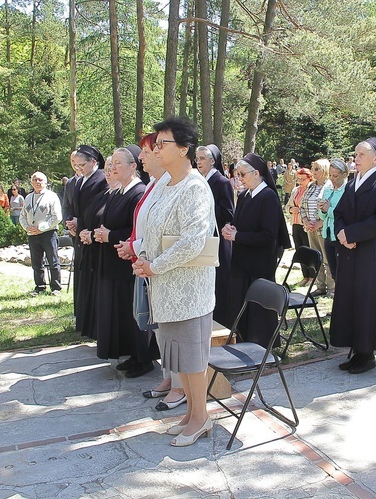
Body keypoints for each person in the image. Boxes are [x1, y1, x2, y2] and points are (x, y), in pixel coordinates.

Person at [132, 116, 217, 447]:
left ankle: (201, 417)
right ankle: (191, 414)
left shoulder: (194, 186)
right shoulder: (165, 183)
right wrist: (144, 258)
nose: (155, 148)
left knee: (192, 360)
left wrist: (156, 265)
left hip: (188, 290)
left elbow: (195, 239)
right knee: (179, 359)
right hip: (165, 288)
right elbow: (153, 229)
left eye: (162, 143)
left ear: (183, 149)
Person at [117, 132, 184, 408]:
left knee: (172, 330)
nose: (142, 157)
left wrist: (136, 247)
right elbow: (144, 225)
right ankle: (169, 377)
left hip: (162, 268)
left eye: (146, 151)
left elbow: (169, 233)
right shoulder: (153, 184)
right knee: (158, 328)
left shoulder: (171, 184)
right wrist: (133, 245)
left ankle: (180, 387)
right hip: (148, 265)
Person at [330, 137, 376, 374]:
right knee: (352, 299)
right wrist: (341, 232)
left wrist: (350, 234)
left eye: (360, 155)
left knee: (367, 301)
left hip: (371, 253)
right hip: (350, 251)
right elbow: (339, 212)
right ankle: (357, 350)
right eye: (355, 155)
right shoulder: (351, 184)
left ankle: (367, 353)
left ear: (375, 159)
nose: (355, 159)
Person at [92, 146, 157, 372]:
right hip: (115, 261)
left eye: (118, 163)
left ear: (133, 167)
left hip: (129, 261)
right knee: (124, 314)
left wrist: (111, 236)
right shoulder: (119, 191)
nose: (113, 168)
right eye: (111, 164)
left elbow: (137, 229)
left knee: (136, 311)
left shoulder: (138, 192)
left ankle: (144, 358)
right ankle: (132, 353)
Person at [223, 153, 291, 347]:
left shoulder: (268, 196)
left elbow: (269, 235)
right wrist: (230, 228)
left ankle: (263, 345)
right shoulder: (245, 195)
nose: (240, 178)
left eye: (243, 174)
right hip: (242, 260)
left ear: (256, 173)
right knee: (241, 302)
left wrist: (238, 236)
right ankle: (243, 341)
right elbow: (238, 223)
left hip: (259, 261)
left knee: (259, 309)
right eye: (238, 174)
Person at [67, 145, 108, 325]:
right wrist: (71, 222)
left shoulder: (101, 179)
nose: (79, 169)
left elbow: (100, 209)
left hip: (91, 233)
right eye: (76, 166)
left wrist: (83, 224)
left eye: (82, 165)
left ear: (93, 162)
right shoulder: (81, 179)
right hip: (80, 231)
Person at [196, 145, 235, 325]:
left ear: (213, 161)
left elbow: (228, 213)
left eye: (203, 158)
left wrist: (203, 208)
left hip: (218, 241)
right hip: (205, 238)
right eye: (197, 158)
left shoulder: (221, 182)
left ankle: (221, 323)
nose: (198, 161)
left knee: (219, 284)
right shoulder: (200, 180)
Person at [19, 171, 63, 295]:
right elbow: (22, 216)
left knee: (53, 261)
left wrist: (42, 227)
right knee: (36, 263)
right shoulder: (28, 197)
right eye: (35, 180)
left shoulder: (52, 196)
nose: (37, 182)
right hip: (32, 234)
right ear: (31, 182)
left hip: (48, 233)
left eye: (40, 180)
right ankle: (39, 286)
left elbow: (57, 217)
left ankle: (56, 287)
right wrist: (27, 227)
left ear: (45, 182)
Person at [302, 159, 333, 296]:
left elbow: (331, 207)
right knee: (317, 258)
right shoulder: (311, 186)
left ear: (324, 170)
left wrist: (319, 223)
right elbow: (302, 205)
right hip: (310, 228)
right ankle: (321, 286)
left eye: (316, 169)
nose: (313, 172)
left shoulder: (329, 186)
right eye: (313, 168)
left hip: (323, 228)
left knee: (327, 259)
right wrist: (305, 221)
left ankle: (332, 288)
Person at [317, 158, 348, 286]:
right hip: (327, 235)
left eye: (335, 176)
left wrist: (328, 209)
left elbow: (344, 214)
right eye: (330, 175)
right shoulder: (328, 189)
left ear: (344, 175)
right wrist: (323, 211)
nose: (332, 179)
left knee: (343, 273)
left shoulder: (347, 191)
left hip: (340, 237)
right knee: (333, 271)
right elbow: (322, 216)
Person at [287, 168, 314, 286]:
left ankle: (312, 277)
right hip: (295, 223)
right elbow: (287, 205)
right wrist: (291, 209)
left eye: (303, 179)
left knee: (309, 250)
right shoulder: (295, 190)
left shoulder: (311, 190)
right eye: (299, 179)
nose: (300, 181)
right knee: (299, 250)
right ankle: (305, 276)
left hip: (305, 224)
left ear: (309, 179)